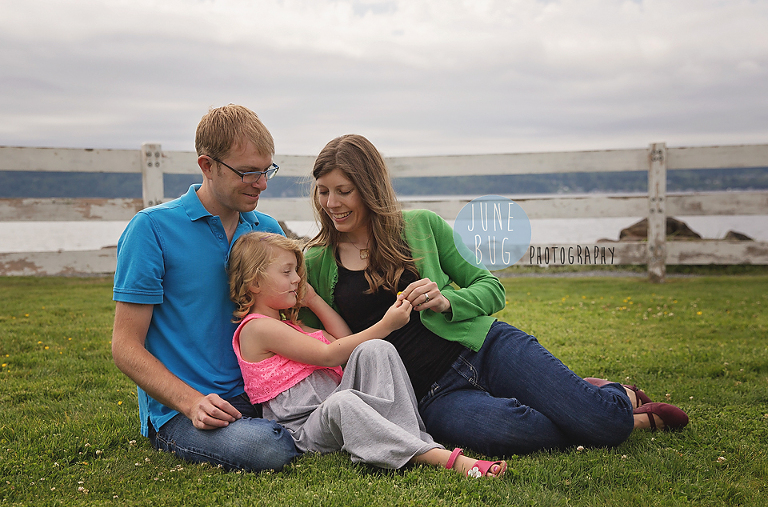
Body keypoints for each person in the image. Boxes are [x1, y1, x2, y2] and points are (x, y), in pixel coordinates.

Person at [301, 134, 689, 456]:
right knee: (520, 433)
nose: (332, 204)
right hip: (433, 397)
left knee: (605, 424)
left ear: (369, 188)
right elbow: (315, 343)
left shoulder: (421, 226)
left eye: (343, 191)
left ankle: (613, 399)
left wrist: (447, 302)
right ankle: (587, 399)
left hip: (486, 349)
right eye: (323, 192)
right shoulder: (316, 262)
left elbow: (491, 287)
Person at [111, 105, 300, 471]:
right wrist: (191, 402)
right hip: (185, 411)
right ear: (207, 166)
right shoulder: (151, 229)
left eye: (266, 171)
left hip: (263, 393)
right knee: (267, 447)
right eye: (247, 172)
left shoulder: (267, 229)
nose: (261, 184)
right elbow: (125, 347)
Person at [227, 232, 506, 478]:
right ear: (254, 282)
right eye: (287, 272)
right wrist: (386, 325)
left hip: (336, 411)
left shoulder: (291, 326)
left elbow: (344, 341)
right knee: (342, 401)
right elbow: (329, 354)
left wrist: (313, 299)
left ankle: (409, 437)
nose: (298, 278)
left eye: (296, 272)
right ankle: (440, 458)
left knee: (375, 348)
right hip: (304, 430)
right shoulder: (257, 328)